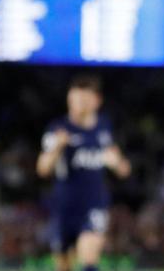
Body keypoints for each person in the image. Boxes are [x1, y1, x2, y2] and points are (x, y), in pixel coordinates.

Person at [36, 75, 131, 271]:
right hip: (64, 207)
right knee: (63, 266)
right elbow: (42, 168)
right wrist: (56, 148)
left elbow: (124, 169)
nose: (77, 105)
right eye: (74, 100)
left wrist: (117, 163)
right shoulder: (58, 129)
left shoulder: (104, 128)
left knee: (89, 257)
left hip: (94, 204)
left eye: (83, 100)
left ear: (96, 101)